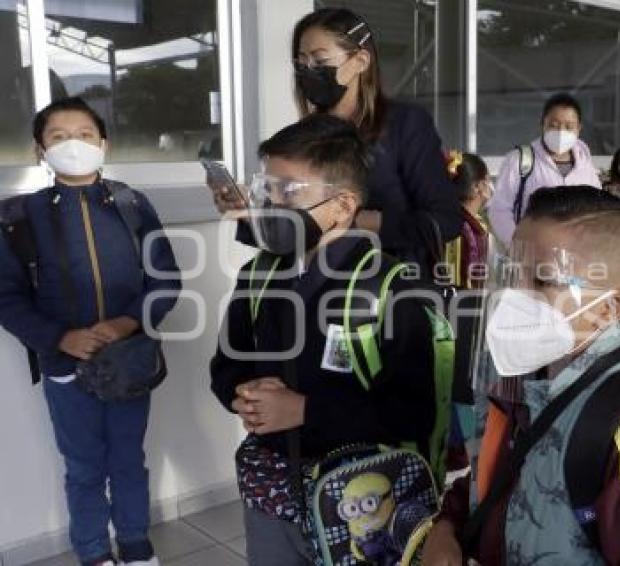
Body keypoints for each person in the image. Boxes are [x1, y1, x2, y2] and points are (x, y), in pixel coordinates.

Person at [210, 115, 443, 565]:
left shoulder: (389, 289)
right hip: (271, 488)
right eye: (267, 189)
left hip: (361, 499)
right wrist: (243, 395)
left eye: (289, 192)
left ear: (342, 205)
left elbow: (414, 413)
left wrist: (303, 411)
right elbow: (225, 365)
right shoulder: (258, 274)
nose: (271, 204)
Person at [423, 186, 620, 565]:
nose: (515, 295)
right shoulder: (518, 383)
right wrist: (446, 529)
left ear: (608, 308)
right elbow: (490, 483)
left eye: (544, 281)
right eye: (511, 274)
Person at [0, 97, 181, 566]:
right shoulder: (18, 217)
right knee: (83, 467)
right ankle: (94, 552)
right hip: (65, 365)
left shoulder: (133, 204)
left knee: (127, 459)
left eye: (84, 134)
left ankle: (136, 544)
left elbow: (165, 280)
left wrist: (126, 322)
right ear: (40, 150)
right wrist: (60, 338)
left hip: (130, 359)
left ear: (103, 143)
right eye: (58, 137)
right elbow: (7, 298)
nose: (73, 144)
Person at [214, 7, 461, 275]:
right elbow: (294, 231)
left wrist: (359, 220)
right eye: (301, 64)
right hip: (319, 282)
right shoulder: (305, 134)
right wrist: (250, 213)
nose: (309, 71)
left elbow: (445, 222)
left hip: (390, 285)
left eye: (320, 62)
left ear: (360, 61)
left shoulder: (406, 123)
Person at [487, 93, 601, 247]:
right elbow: (498, 209)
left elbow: (597, 212)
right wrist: (517, 244)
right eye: (554, 125)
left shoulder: (586, 167)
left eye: (569, 126)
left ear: (579, 128)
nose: (561, 132)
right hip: (531, 255)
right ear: (542, 124)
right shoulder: (519, 161)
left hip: (576, 258)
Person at [443, 150, 491, 289]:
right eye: (487, 180)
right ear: (477, 187)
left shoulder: (475, 222)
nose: (490, 185)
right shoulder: (462, 228)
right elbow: (459, 282)